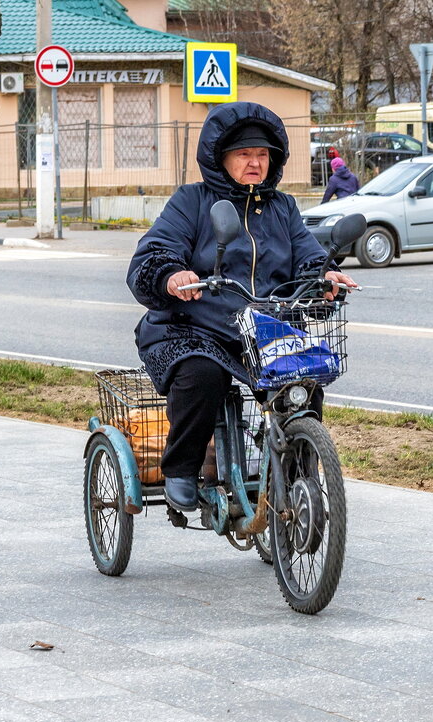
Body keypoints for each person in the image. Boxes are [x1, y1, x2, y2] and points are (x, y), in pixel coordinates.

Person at [127, 102, 357, 512]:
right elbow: (154, 254)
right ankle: (181, 467)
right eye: (244, 154)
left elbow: (307, 254)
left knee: (303, 384)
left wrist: (325, 278)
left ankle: (297, 480)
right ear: (221, 158)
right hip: (192, 329)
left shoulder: (282, 207)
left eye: (263, 154)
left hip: (263, 330)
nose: (255, 162)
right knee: (203, 375)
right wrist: (171, 276)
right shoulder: (192, 201)